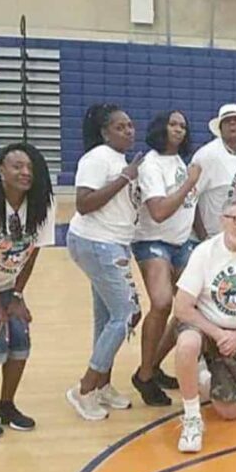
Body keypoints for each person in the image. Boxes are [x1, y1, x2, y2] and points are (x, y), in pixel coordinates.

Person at [174, 200, 236, 453]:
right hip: (204, 324)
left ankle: (203, 374)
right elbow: (182, 307)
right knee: (187, 345)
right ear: (223, 220)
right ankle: (192, 418)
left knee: (230, 412)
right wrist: (218, 334)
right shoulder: (205, 252)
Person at [0, 143, 55, 438]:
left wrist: (17, 296)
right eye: (17, 166)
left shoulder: (41, 205)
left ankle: (6, 406)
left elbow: (31, 254)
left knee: (20, 339)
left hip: (6, 285)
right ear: (0, 171)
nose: (25, 172)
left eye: (29, 167)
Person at [66, 104, 143, 421]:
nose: (128, 131)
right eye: (120, 127)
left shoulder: (120, 160)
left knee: (109, 316)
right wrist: (125, 178)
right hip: (96, 242)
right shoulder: (97, 158)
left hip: (114, 244)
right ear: (104, 132)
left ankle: (102, 384)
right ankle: (84, 389)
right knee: (127, 313)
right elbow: (83, 204)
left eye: (130, 125)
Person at [130, 110, 201, 406]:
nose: (179, 129)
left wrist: (203, 237)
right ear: (161, 127)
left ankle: (151, 367)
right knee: (161, 303)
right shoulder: (151, 164)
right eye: (173, 124)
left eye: (183, 125)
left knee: (189, 305)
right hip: (153, 240)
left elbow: (191, 205)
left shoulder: (179, 162)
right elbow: (158, 211)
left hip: (182, 242)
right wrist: (189, 182)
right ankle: (145, 376)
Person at [191, 103, 236, 239]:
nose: (232, 123)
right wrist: (204, 238)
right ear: (220, 129)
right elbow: (190, 199)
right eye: (227, 121)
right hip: (213, 237)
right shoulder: (206, 155)